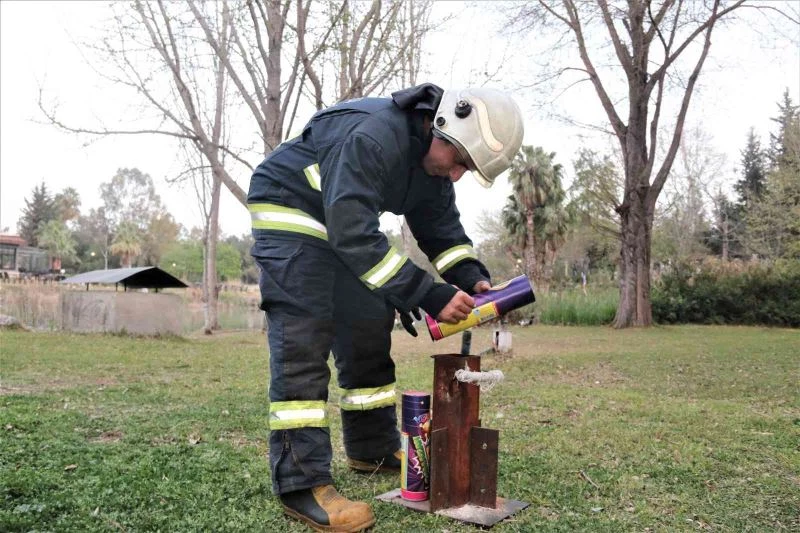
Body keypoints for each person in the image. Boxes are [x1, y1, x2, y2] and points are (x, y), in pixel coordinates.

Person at [248, 83, 524, 532]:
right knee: (306, 334)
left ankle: (370, 448)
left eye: (467, 170)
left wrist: (472, 276)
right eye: (458, 162)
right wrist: (427, 294)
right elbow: (353, 235)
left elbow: (441, 229)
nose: (456, 176)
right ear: (442, 127)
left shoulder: (432, 168)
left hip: (341, 223)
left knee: (367, 322)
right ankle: (301, 483)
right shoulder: (373, 137)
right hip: (292, 213)